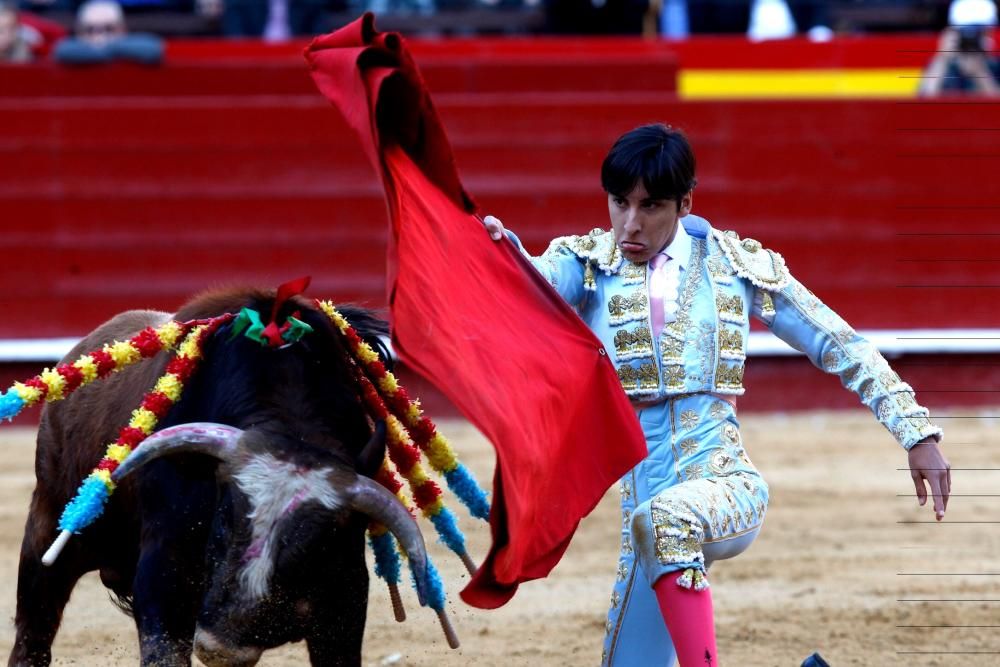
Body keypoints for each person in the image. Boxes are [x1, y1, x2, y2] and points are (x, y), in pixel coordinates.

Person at [483, 124, 950, 666]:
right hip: (643, 517)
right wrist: (498, 251)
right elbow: (527, 282)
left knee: (667, 519)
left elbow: (837, 343)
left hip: (725, 483)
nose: (629, 224)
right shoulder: (587, 265)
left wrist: (916, 431)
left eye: (650, 206)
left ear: (685, 203)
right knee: (649, 550)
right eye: (619, 203)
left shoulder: (733, 264)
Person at [920, 0, 1000, 97]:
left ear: (989, 32)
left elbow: (996, 104)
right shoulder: (942, 65)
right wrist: (942, 58)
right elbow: (924, 100)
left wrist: (980, 71)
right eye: (964, 31)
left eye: (978, 31)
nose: (971, 36)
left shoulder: (996, 65)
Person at [53, 0, 163, 66]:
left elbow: (153, 49)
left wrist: (103, 49)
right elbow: (62, 50)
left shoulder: (136, 45)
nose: (100, 35)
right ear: (79, 31)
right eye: (91, 29)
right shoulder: (68, 47)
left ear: (122, 29)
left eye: (108, 28)